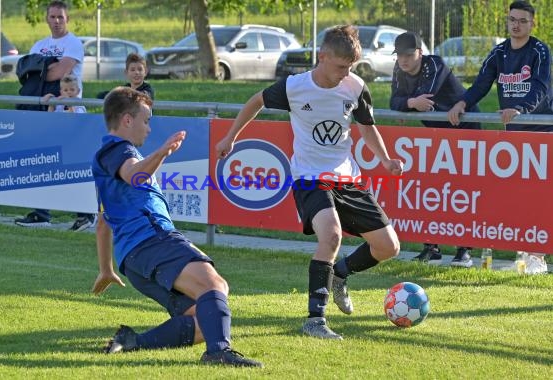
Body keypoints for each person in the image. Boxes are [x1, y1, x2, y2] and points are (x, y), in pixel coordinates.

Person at [216, 25, 403, 339]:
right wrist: (230, 137)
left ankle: (340, 274)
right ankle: (315, 320)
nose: (346, 73)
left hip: (346, 177)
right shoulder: (294, 87)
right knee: (330, 236)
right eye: (341, 66)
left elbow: (367, 126)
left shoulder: (355, 86)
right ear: (323, 56)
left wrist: (385, 159)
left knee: (389, 246)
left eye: (351, 67)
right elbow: (256, 101)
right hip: (308, 177)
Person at [91, 87, 262, 367]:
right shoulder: (118, 150)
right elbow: (135, 175)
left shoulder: (107, 161)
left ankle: (133, 341)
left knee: (202, 320)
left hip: (134, 262)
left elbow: (102, 222)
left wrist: (106, 269)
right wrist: (163, 152)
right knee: (214, 285)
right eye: (146, 120)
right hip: (152, 242)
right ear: (126, 121)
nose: (148, 128)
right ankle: (218, 353)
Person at [447, 0, 552, 274]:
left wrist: (520, 108)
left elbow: (541, 86)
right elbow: (481, 83)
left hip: (542, 134)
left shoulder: (540, 51)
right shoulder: (499, 52)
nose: (516, 25)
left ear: (532, 24)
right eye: (512, 20)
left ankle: (537, 257)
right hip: (515, 136)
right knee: (520, 195)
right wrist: (462, 103)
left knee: (541, 195)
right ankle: (527, 251)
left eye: (522, 21)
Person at [390, 31, 482, 268]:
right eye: (400, 55)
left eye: (409, 54)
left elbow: (427, 96)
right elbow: (395, 101)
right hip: (435, 136)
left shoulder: (434, 64)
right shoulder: (398, 70)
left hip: (464, 131)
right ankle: (432, 247)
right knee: (433, 190)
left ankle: (464, 250)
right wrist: (410, 103)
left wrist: (408, 103)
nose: (404, 60)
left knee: (463, 194)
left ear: (420, 52)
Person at [14, 0, 87, 229]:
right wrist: (44, 69)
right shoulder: (39, 45)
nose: (56, 21)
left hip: (70, 111)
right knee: (43, 161)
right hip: (46, 110)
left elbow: (58, 72)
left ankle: (85, 214)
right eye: (52, 17)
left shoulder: (73, 43)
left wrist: (40, 71)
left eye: (60, 17)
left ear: (68, 19)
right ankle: (41, 214)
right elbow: (29, 71)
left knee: (73, 162)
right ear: (46, 19)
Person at [39, 74, 96, 231]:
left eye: (72, 90)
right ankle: (43, 213)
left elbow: (76, 120)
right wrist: (51, 101)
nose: (68, 93)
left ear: (77, 91)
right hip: (60, 148)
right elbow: (50, 120)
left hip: (76, 150)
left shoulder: (79, 105)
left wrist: (68, 104)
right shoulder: (58, 104)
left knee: (78, 183)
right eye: (65, 90)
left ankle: (87, 215)